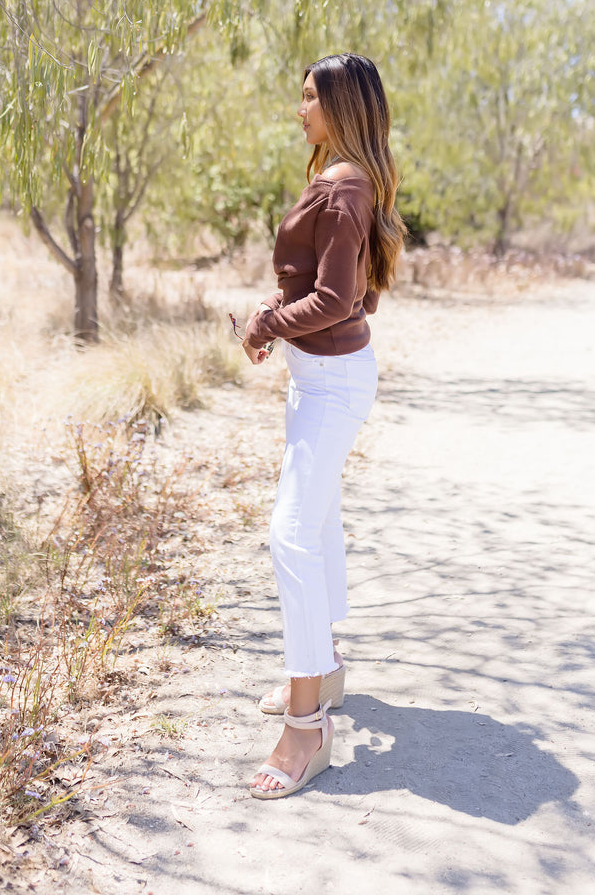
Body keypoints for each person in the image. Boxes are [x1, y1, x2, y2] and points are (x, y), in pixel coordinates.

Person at [238, 52, 406, 800]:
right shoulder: (351, 181)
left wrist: (267, 323)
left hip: (332, 382)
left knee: (292, 535)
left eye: (309, 97)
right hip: (325, 376)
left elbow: (338, 299)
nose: (299, 108)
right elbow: (347, 292)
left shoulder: (342, 190)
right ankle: (324, 669)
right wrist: (281, 316)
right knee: (319, 520)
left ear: (341, 108)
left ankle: (307, 727)